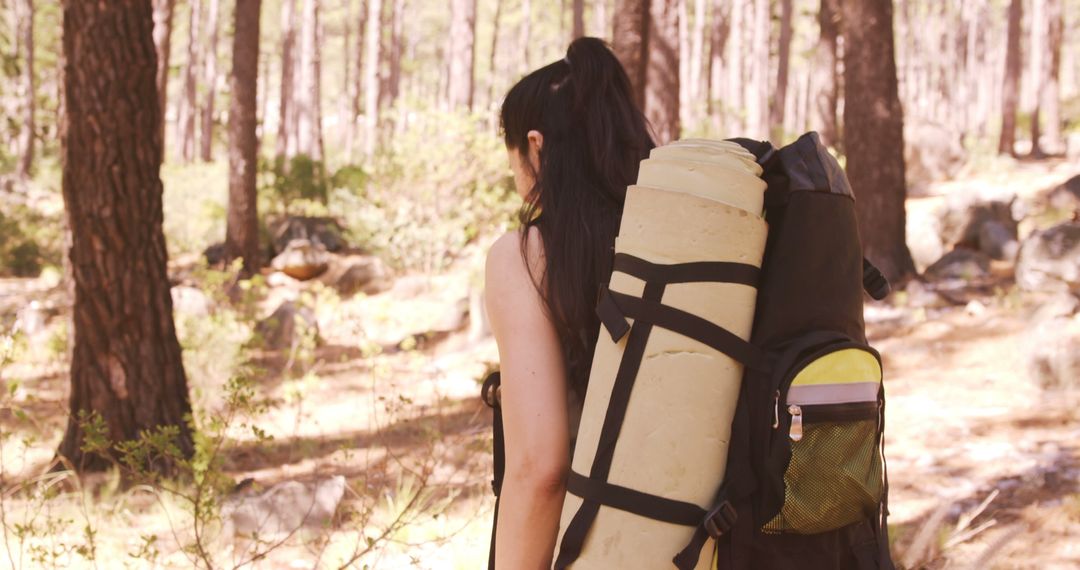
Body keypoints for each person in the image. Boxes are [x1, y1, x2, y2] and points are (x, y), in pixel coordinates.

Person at [484, 37, 654, 569]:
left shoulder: (528, 255)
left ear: (535, 146)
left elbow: (539, 467)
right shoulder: (670, 240)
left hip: (594, 547)